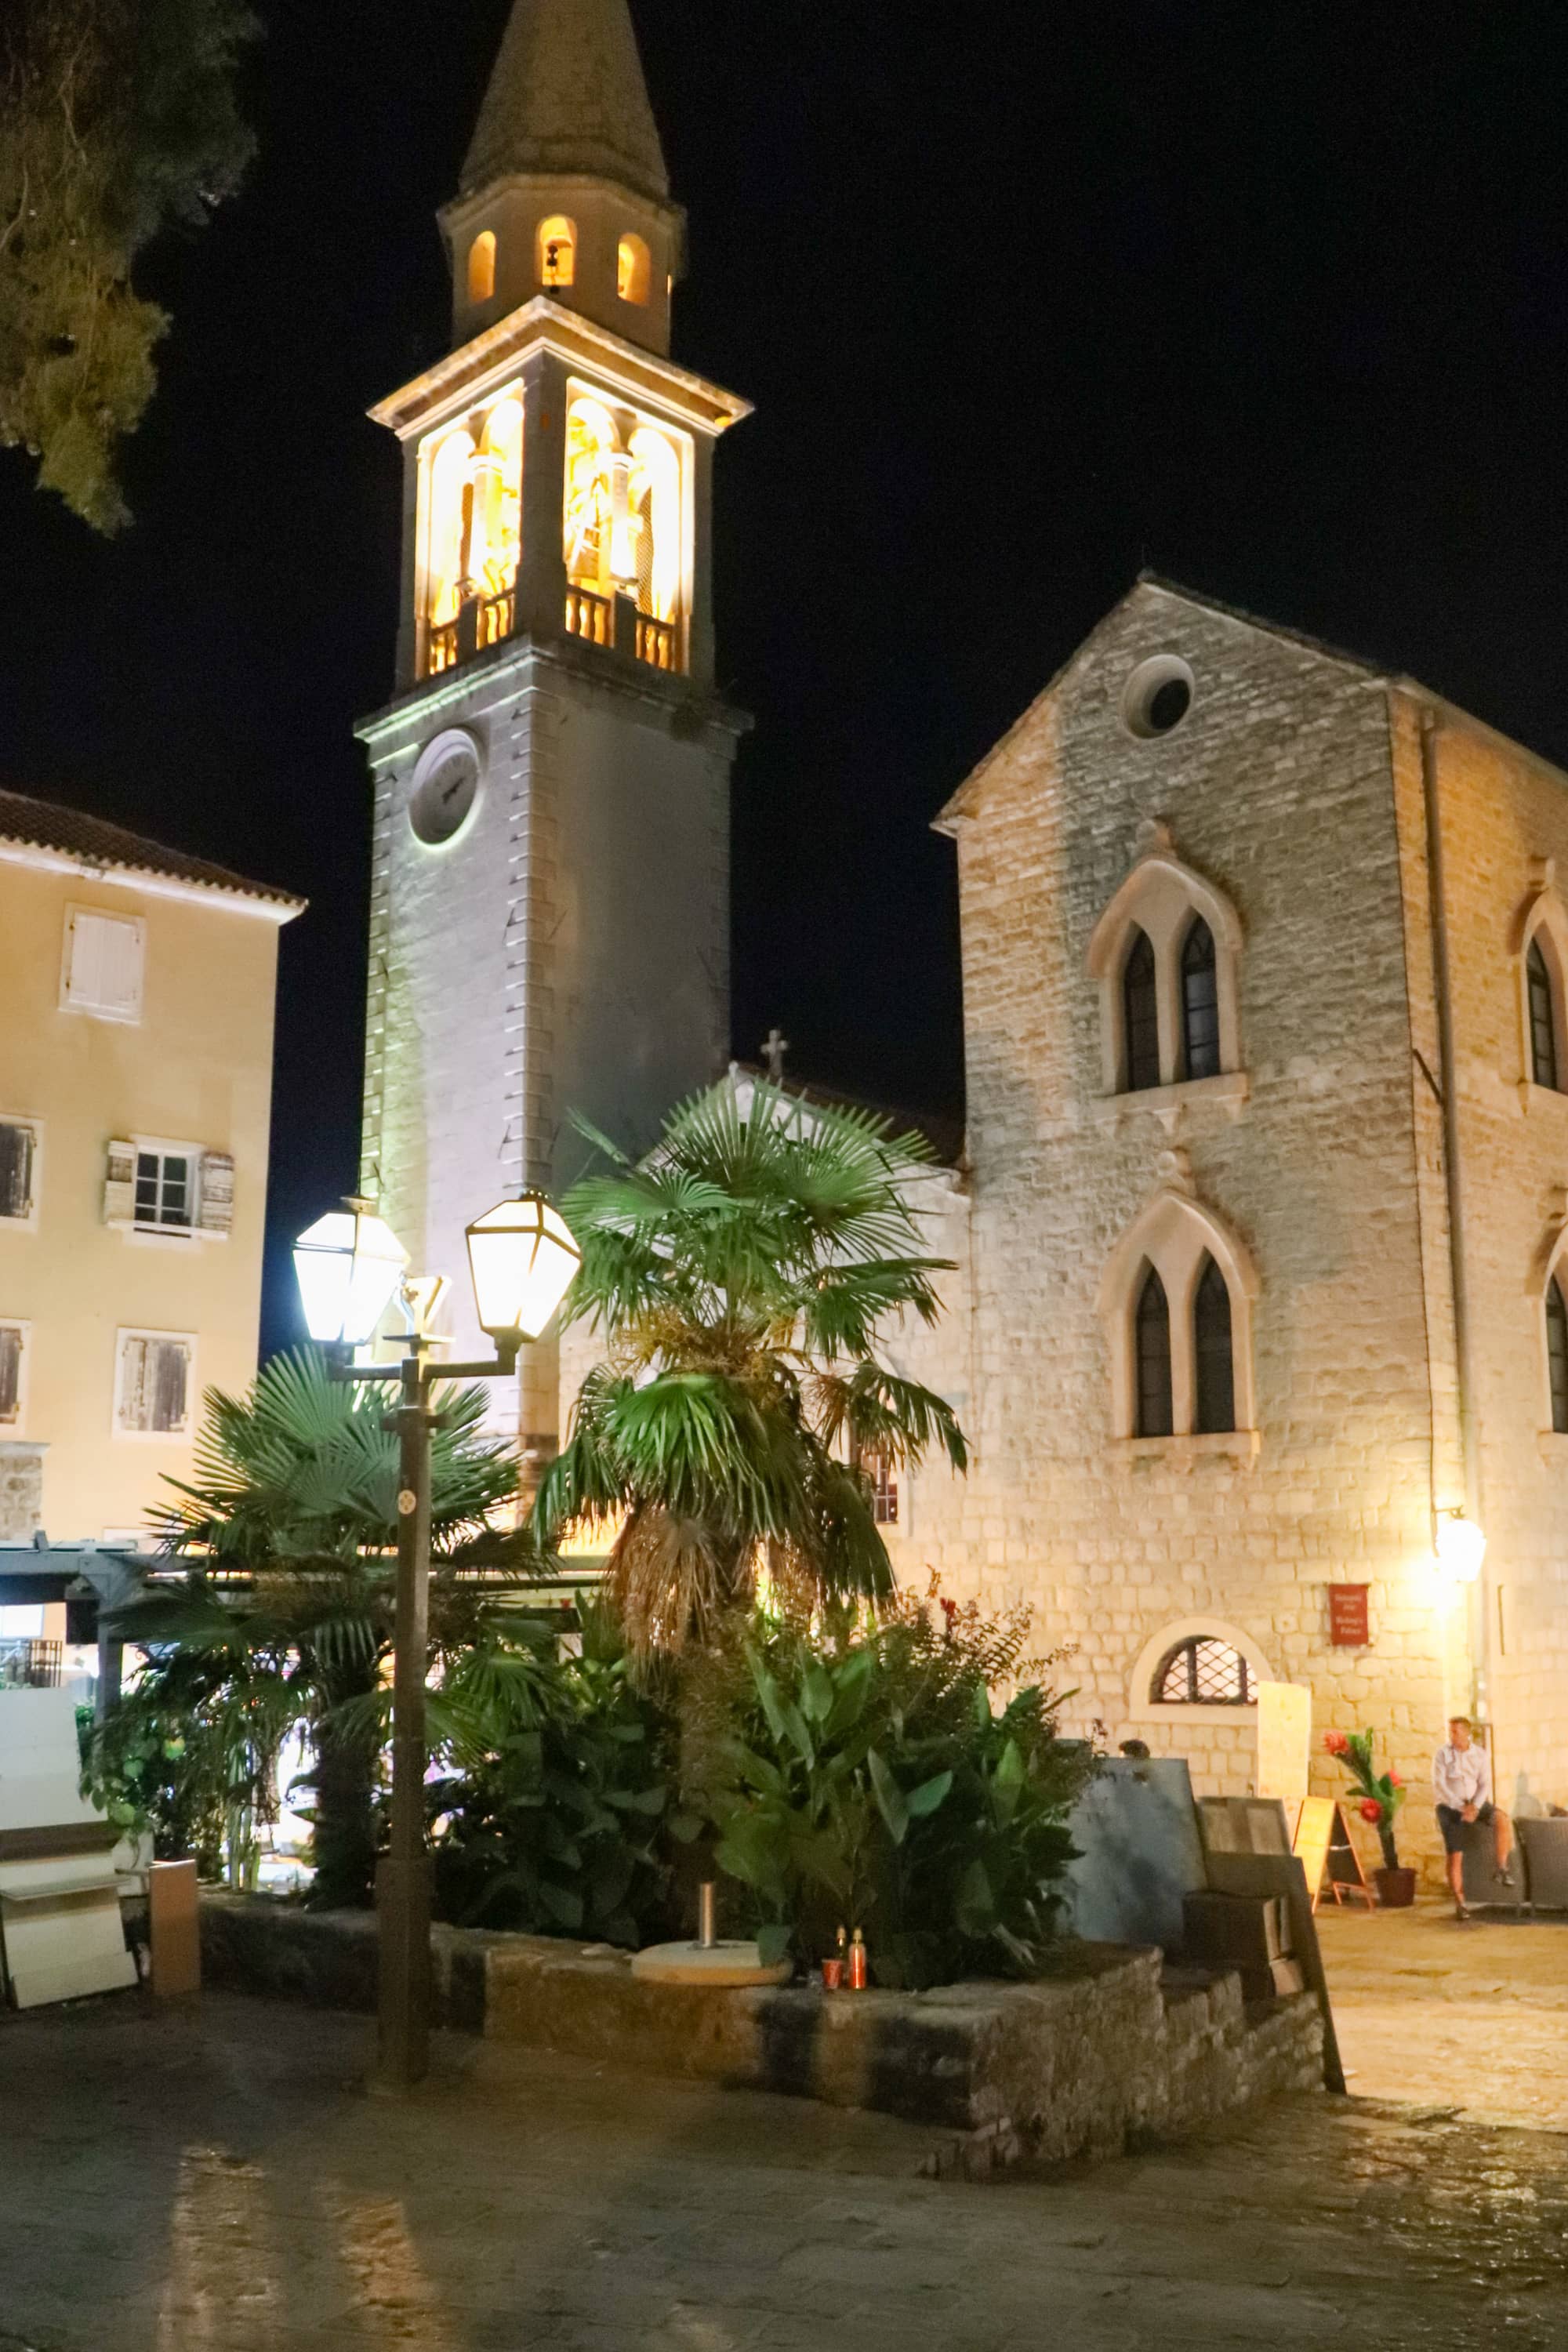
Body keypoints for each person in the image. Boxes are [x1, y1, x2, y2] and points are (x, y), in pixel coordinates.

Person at [1433, 1715, 1514, 1920]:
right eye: (1450, 1732)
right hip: (1450, 1806)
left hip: (1475, 1802)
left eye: (1456, 1732)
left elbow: (1485, 1783)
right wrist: (1461, 1808)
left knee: (1502, 1819)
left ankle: (1502, 1868)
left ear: (1467, 1733)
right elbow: (1441, 1785)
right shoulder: (1442, 1755)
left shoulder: (1480, 1755)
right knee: (1455, 1855)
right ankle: (1460, 1903)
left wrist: (1475, 1807)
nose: (1452, 1736)